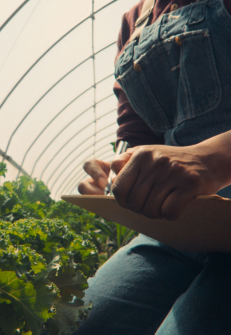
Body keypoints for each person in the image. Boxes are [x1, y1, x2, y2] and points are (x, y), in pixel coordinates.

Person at [74, 0, 231, 333]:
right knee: (81, 321)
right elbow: (136, 135)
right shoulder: (135, 21)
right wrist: (116, 174)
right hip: (176, 227)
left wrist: (215, 158)